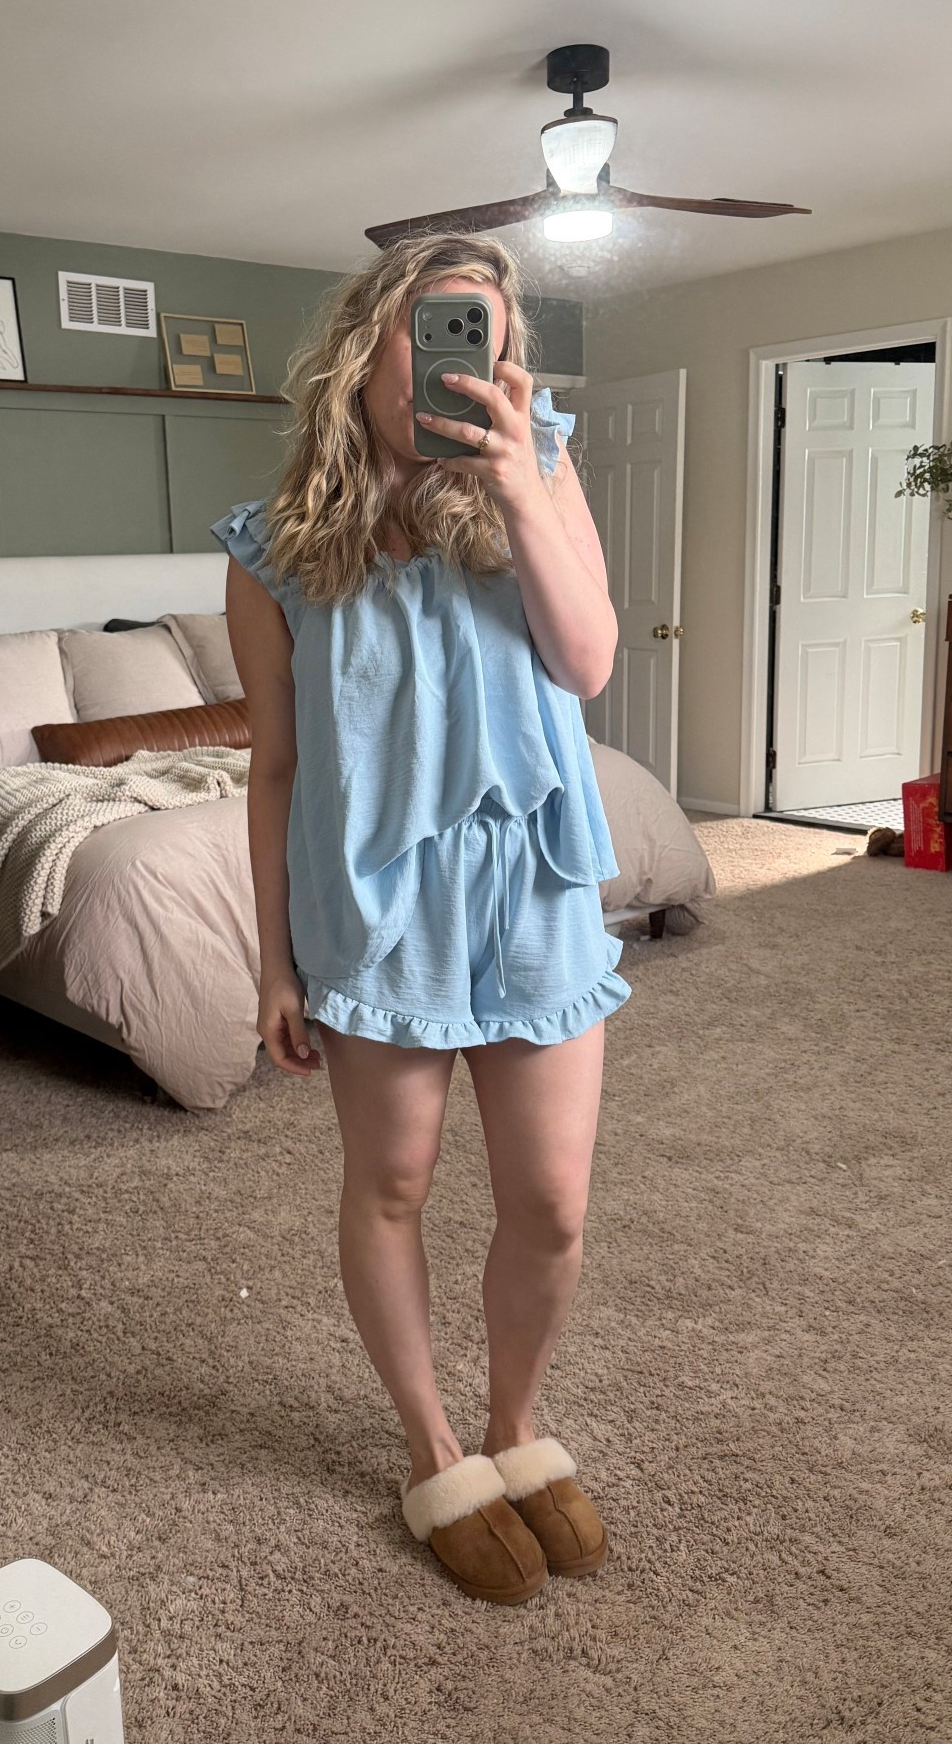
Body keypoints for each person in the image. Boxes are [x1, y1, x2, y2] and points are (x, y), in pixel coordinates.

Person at [210, 231, 632, 1606]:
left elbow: (587, 660)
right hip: (377, 909)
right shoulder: (272, 549)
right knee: (391, 1182)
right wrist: (272, 959)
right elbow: (275, 768)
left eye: (490, 338)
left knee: (552, 1202)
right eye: (442, 329)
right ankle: (435, 1450)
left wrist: (515, 480)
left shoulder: (541, 467)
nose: (471, 362)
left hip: (534, 889)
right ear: (368, 347)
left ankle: (515, 1425)